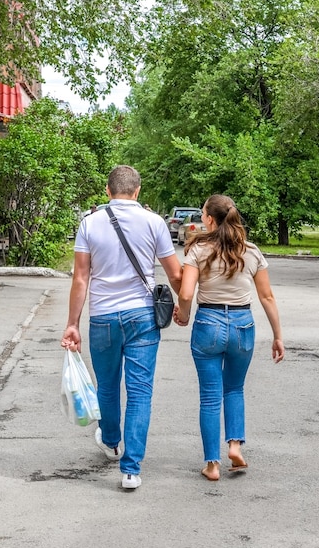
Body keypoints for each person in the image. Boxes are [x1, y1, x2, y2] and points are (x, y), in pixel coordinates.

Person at [61, 165, 182, 490]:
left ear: (108, 190)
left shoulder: (89, 223)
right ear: (138, 191)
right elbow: (174, 274)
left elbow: (81, 277)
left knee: (108, 386)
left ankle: (112, 442)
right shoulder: (155, 223)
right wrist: (184, 305)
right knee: (140, 391)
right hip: (142, 316)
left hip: (103, 318)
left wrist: (73, 323)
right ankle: (131, 470)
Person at [173, 194, 284, 481]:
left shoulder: (198, 250)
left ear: (210, 218)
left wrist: (183, 315)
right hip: (242, 325)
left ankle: (212, 465)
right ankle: (235, 445)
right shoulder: (250, 250)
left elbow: (186, 293)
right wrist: (277, 336)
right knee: (234, 389)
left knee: (210, 398)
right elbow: (267, 296)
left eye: (202, 214)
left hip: (208, 323)